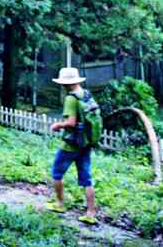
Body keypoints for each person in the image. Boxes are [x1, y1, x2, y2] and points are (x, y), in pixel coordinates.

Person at [47, 67, 98, 224]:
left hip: (71, 144)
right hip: (85, 143)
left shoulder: (71, 98)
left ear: (66, 84)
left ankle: (60, 204)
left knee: (56, 172)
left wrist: (58, 125)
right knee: (86, 178)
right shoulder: (86, 94)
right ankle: (90, 213)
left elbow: (71, 122)